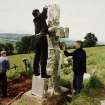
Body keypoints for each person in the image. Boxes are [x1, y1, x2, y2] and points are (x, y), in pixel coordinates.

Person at [32, 6, 50, 78]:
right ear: (37, 13)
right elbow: (44, 12)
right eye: (39, 12)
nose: (40, 12)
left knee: (37, 56)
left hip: (37, 38)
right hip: (42, 38)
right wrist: (45, 7)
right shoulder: (40, 17)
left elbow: (44, 17)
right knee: (44, 56)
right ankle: (43, 74)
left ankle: (36, 72)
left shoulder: (36, 20)